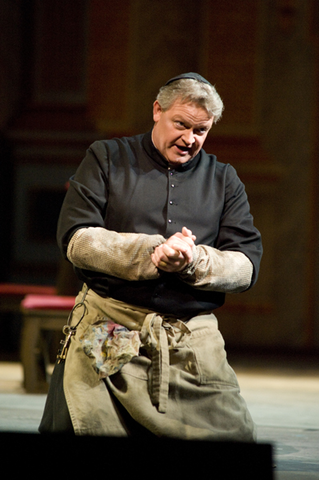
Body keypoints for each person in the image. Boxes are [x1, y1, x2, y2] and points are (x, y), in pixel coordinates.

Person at [40, 72, 262, 440]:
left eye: (201, 131)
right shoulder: (106, 157)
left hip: (189, 341)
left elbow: (246, 266)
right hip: (107, 329)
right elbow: (76, 239)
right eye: (181, 124)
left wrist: (192, 261)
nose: (190, 139)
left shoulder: (224, 180)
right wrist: (152, 252)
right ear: (157, 110)